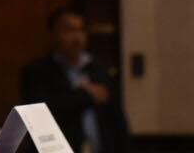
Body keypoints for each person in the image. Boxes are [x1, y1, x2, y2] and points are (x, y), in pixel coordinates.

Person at [20, 8, 130, 153]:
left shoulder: (98, 71)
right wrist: (85, 95)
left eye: (81, 30)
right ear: (53, 34)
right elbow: (41, 114)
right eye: (69, 30)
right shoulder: (38, 72)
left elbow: (117, 121)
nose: (77, 37)